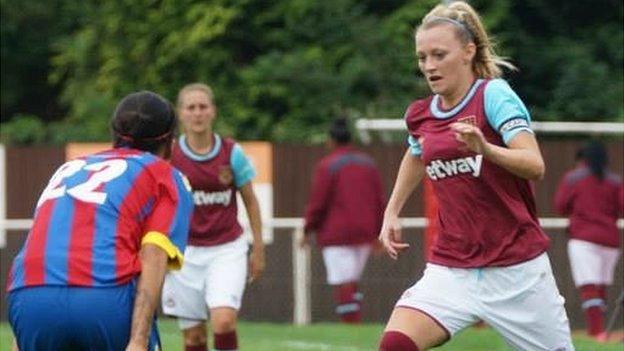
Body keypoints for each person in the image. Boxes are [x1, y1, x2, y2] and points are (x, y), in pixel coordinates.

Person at [377, 2, 574, 350]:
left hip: (517, 271)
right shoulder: (421, 113)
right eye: (422, 57)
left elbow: (535, 164)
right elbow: (417, 152)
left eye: (439, 54)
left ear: (468, 51)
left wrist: (487, 150)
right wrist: (392, 210)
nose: (429, 66)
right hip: (451, 269)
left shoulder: (492, 95)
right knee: (395, 344)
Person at [6, 91, 194, 351]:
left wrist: (23, 334)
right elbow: (153, 255)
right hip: (103, 298)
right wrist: (138, 340)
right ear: (171, 143)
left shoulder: (68, 169)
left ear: (114, 135)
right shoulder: (164, 175)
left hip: (29, 297)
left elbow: (40, 246)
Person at [161, 83, 265, 351]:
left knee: (223, 322)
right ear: (181, 113)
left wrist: (259, 250)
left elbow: (251, 202)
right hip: (185, 253)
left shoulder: (231, 153)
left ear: (213, 112)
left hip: (226, 249)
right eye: (191, 107)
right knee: (194, 338)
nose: (197, 113)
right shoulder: (170, 155)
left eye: (203, 107)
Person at [302, 118, 385, 323]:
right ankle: (354, 321)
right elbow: (379, 200)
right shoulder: (368, 164)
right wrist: (379, 232)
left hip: (336, 232)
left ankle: (351, 324)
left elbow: (318, 202)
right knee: (352, 280)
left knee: (343, 281)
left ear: (331, 141)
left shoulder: (327, 166)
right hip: (366, 231)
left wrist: (307, 229)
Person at [554, 140, 624, 338]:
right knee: (600, 286)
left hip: (583, 238)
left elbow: (560, 206)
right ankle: (600, 330)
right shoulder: (615, 181)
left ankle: (596, 332)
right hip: (610, 239)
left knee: (589, 286)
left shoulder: (573, 178)